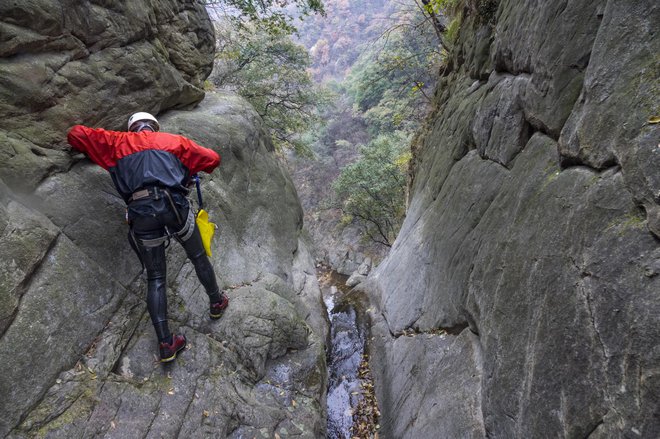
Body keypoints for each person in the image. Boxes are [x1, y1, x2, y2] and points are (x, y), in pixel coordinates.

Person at [67, 112, 229, 363]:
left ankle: (166, 344)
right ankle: (216, 303)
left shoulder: (115, 142)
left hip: (140, 213)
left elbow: (76, 133)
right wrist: (187, 167)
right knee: (197, 256)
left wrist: (96, 151)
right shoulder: (175, 142)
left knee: (155, 277)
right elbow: (213, 159)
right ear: (154, 126)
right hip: (174, 207)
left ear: (132, 128)